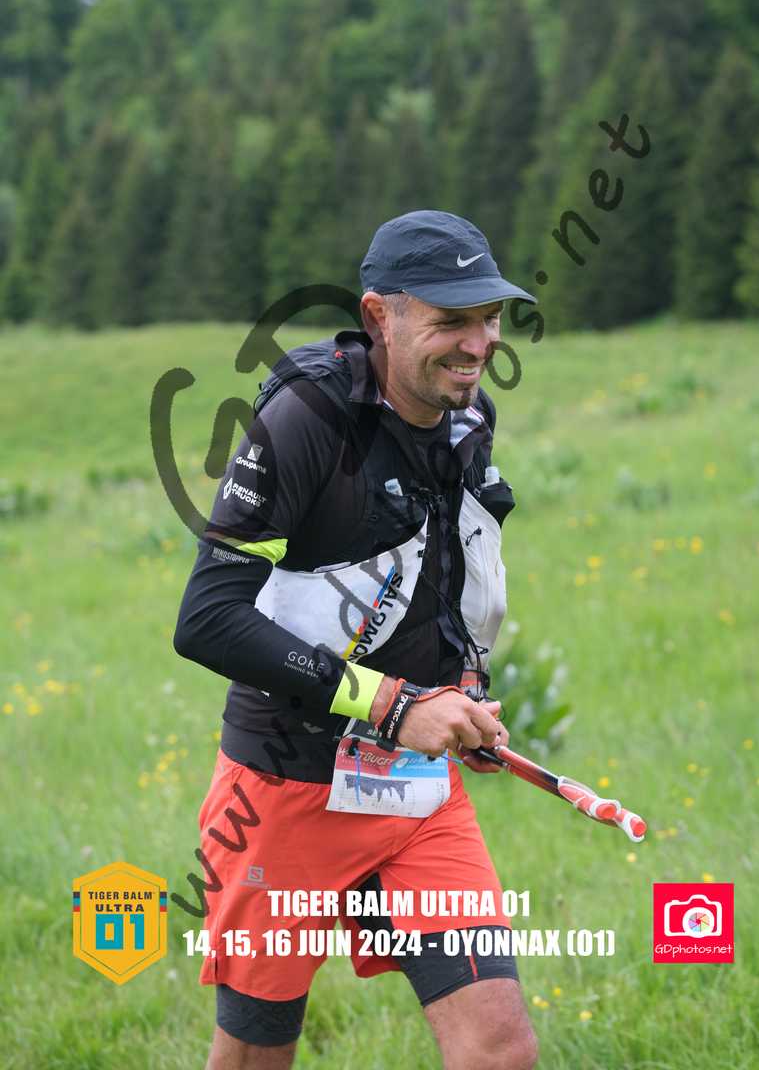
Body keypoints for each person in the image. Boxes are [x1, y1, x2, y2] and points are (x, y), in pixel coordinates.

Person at [174, 210, 540, 1069]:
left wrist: (462, 692)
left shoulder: (466, 413)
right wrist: (392, 704)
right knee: (257, 1054)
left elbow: (433, 576)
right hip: (283, 788)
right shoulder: (302, 422)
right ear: (380, 316)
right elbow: (208, 618)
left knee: (501, 1048)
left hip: (416, 794)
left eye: (490, 317)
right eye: (452, 320)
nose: (478, 343)